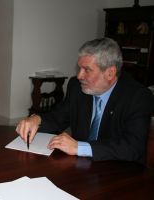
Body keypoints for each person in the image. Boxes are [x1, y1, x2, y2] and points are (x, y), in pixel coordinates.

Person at [16, 38, 153, 163]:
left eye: (87, 70)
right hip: (81, 167)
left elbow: (133, 147)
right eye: (79, 68)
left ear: (110, 73)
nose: (79, 76)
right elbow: (58, 117)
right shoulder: (76, 87)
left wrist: (80, 147)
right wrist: (36, 119)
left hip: (119, 172)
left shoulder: (138, 97)